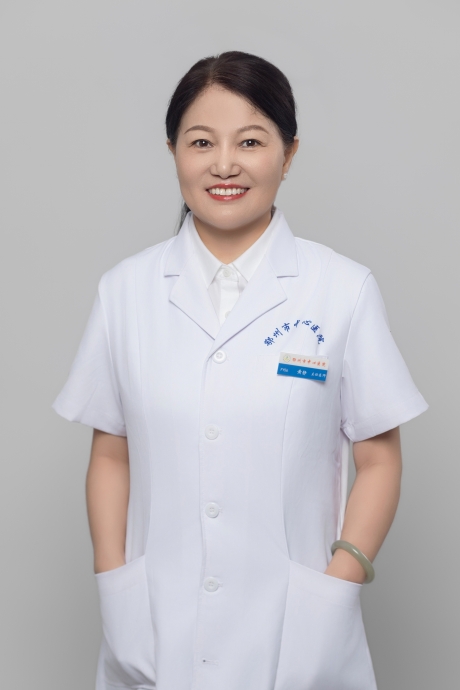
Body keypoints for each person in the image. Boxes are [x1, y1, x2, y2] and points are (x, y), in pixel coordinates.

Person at [53, 51, 428, 690]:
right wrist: (115, 584)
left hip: (297, 632)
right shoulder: (125, 292)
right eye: (201, 142)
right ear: (173, 152)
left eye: (250, 141)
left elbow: (379, 459)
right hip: (156, 626)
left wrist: (339, 582)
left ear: (288, 154)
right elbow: (111, 454)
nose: (224, 164)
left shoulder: (342, 289)